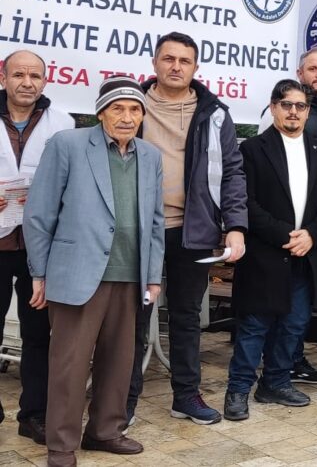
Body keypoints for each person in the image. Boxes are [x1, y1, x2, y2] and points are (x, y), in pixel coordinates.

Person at [25, 75, 164, 467]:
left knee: (119, 363)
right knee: (69, 365)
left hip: (129, 274)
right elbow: (40, 213)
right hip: (76, 274)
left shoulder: (150, 156)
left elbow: (154, 223)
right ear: (101, 112)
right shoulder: (68, 145)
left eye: (135, 109)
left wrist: (153, 276)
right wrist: (40, 272)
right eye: (118, 108)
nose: (126, 116)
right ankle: (61, 445)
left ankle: (105, 431)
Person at [129, 31, 249, 426]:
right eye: (168, 59)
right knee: (130, 317)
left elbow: (232, 172)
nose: (176, 66)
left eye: (184, 60)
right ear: (155, 63)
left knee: (184, 317)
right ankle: (122, 401)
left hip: (194, 231)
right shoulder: (134, 106)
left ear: (195, 67)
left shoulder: (214, 113)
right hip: (139, 230)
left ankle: (185, 396)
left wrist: (235, 227)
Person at [224, 80, 317, 421]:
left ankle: (275, 383)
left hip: (306, 254)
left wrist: (312, 236)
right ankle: (238, 390)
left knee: (295, 323)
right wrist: (286, 235)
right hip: (266, 254)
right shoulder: (253, 150)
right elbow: (248, 203)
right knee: (255, 326)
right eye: (286, 104)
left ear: (307, 111)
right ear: (273, 107)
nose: (293, 111)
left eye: (300, 106)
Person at [0, 50, 73, 444]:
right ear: (4, 76)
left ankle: (34, 415)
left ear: (45, 80)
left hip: (39, 248)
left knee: (39, 335)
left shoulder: (62, 123)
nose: (27, 82)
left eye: (35, 75)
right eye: (19, 74)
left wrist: (48, 197)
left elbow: (75, 178)